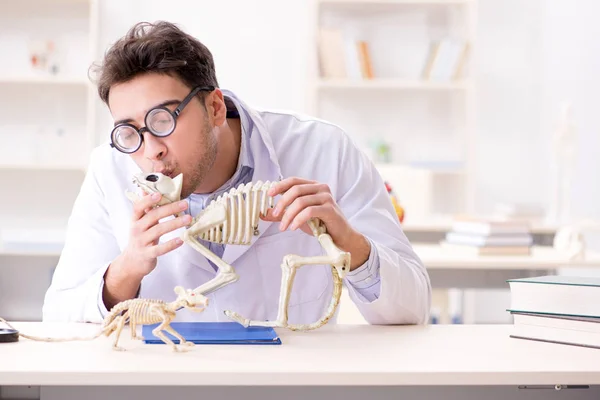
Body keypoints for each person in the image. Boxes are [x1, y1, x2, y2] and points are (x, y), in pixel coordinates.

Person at [42, 21, 431, 326]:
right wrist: (126, 270)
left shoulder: (324, 149)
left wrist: (351, 244)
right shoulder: (109, 167)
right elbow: (59, 315)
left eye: (162, 120)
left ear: (214, 108)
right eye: (129, 130)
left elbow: (412, 308)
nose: (150, 149)